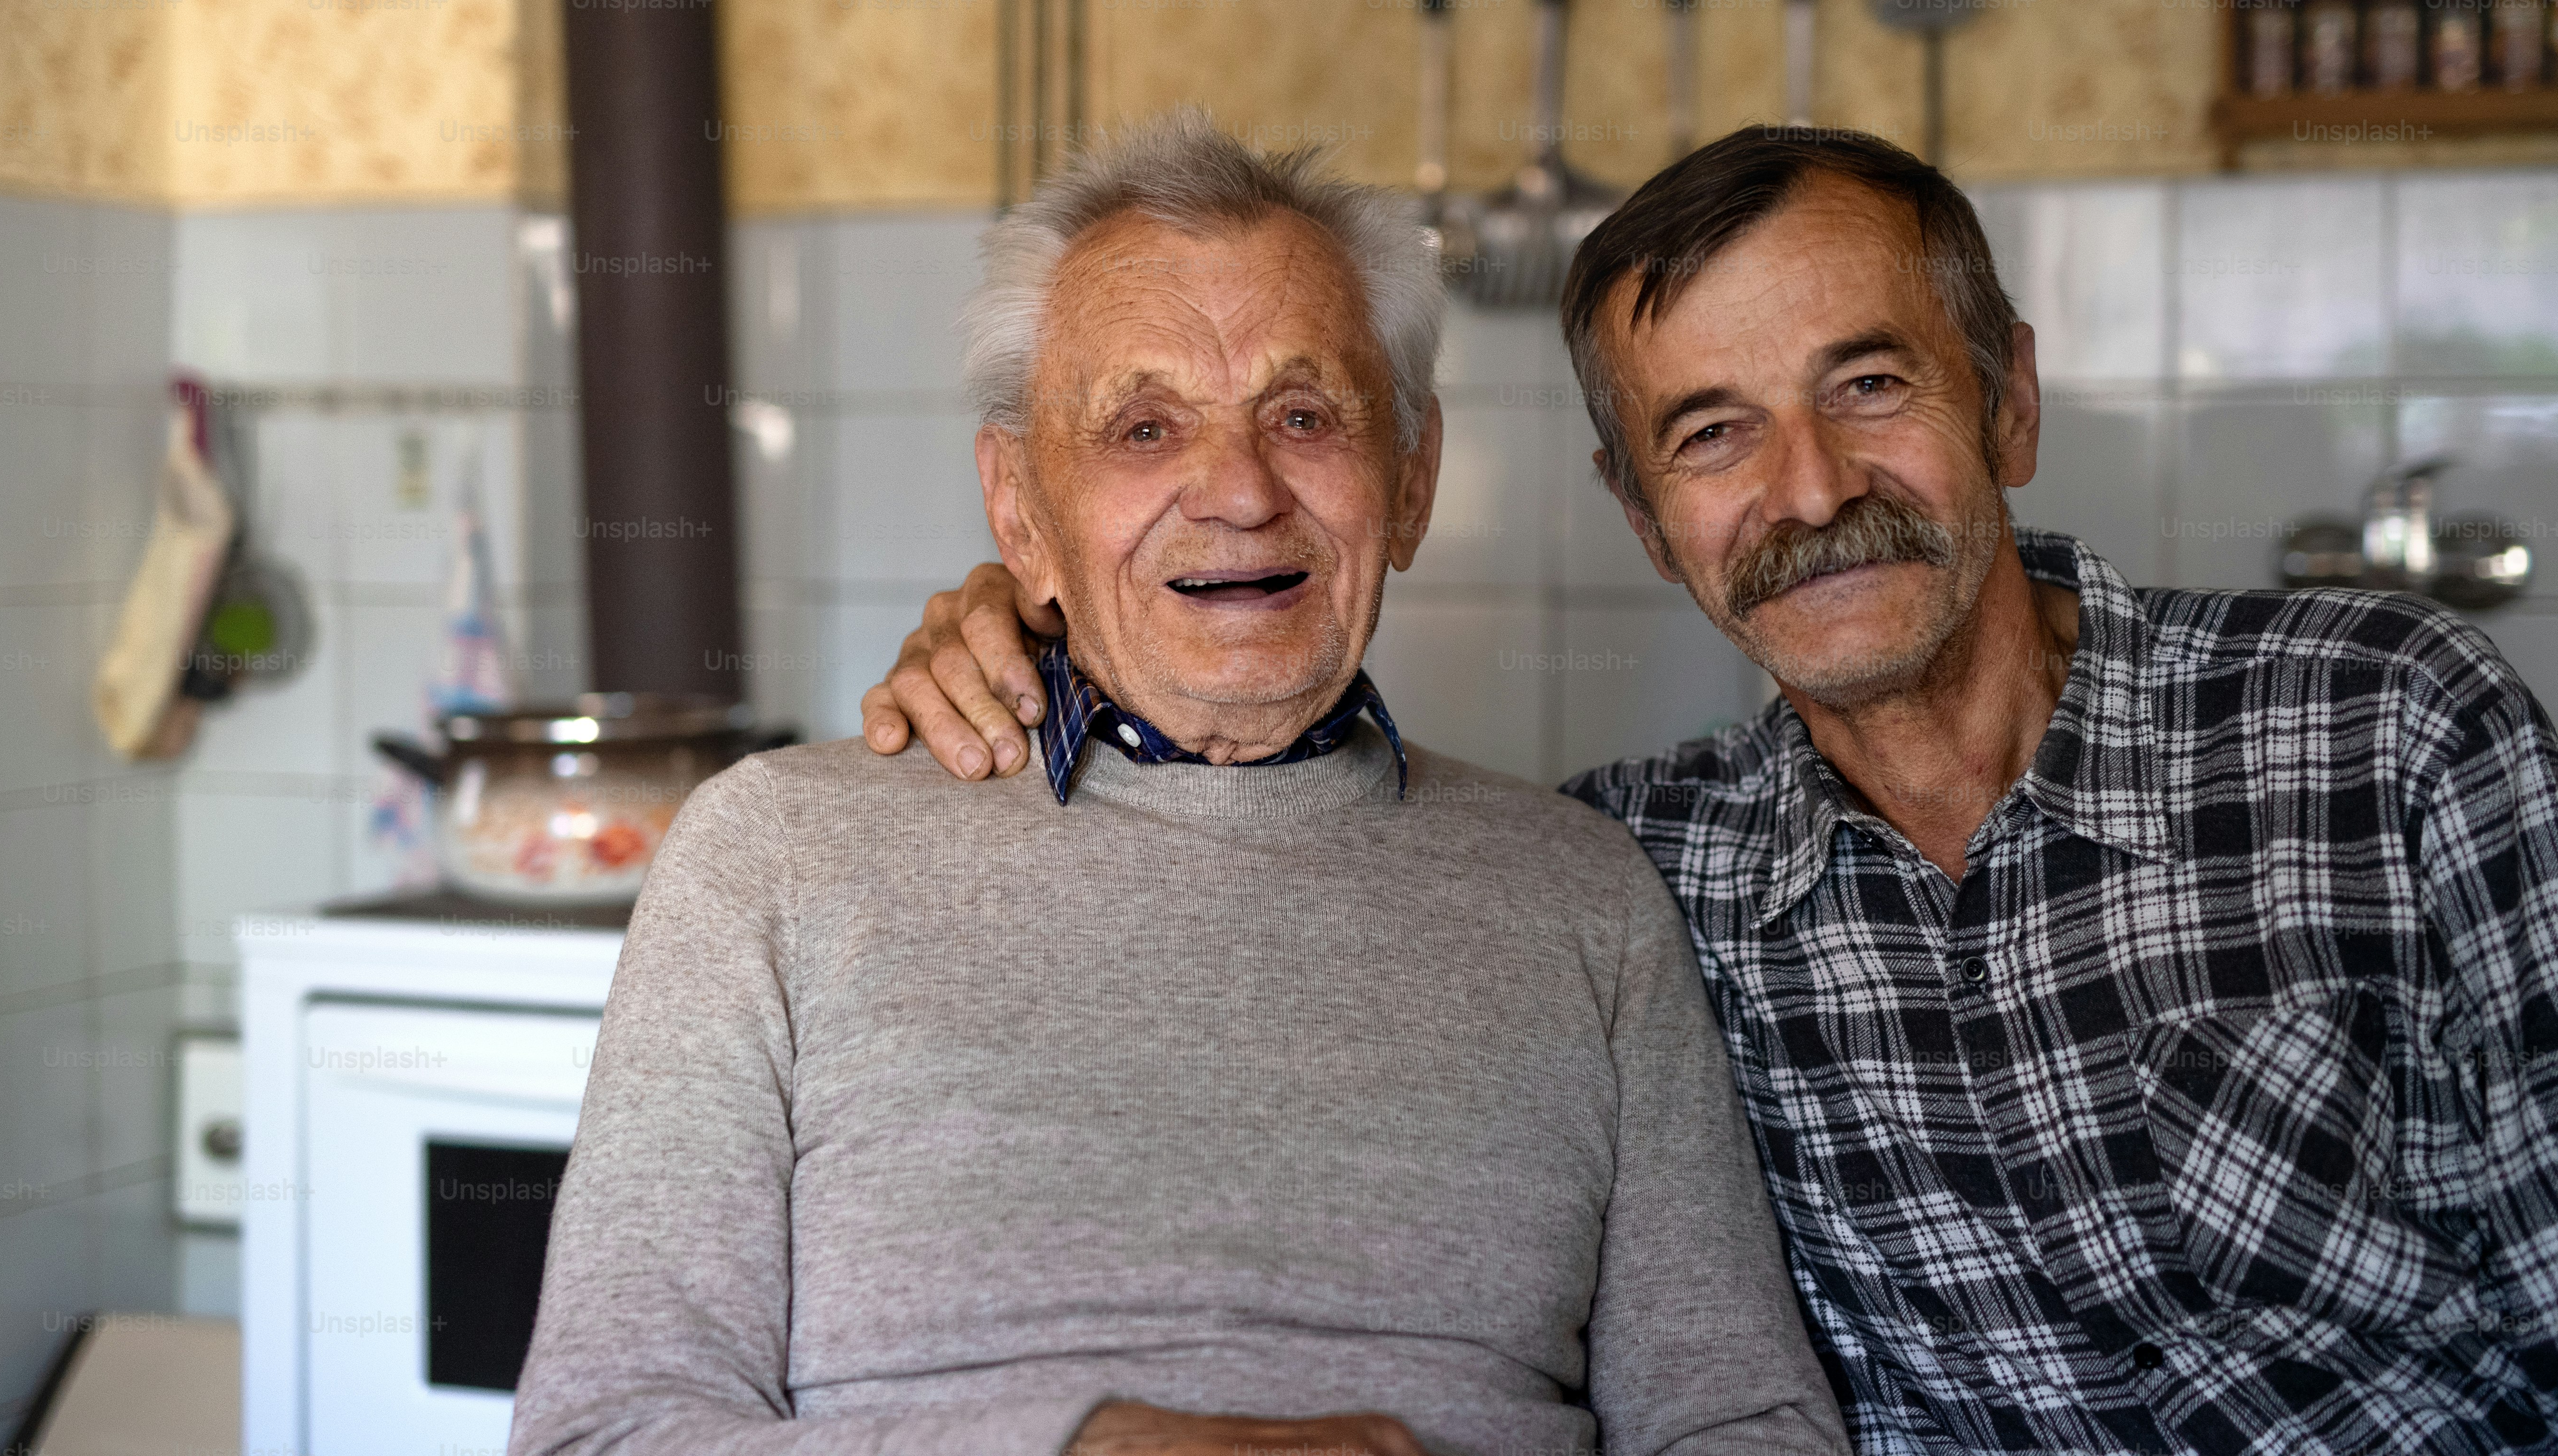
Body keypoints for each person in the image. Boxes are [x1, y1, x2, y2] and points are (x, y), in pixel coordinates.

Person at [870, 123, 2558, 1455]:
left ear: (2006, 400)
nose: (1807, 490)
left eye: (1868, 385)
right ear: (1644, 518)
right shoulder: (1637, 876)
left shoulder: (2383, 730)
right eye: (1711, 434)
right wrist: (1022, 627)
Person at [508, 109, 1849, 1456]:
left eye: (1305, 414)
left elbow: (1748, 1428)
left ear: (1416, 475)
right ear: (1021, 508)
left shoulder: (1582, 892)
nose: (1240, 492)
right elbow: (604, 1433)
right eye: (1144, 429)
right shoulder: (776, 856)